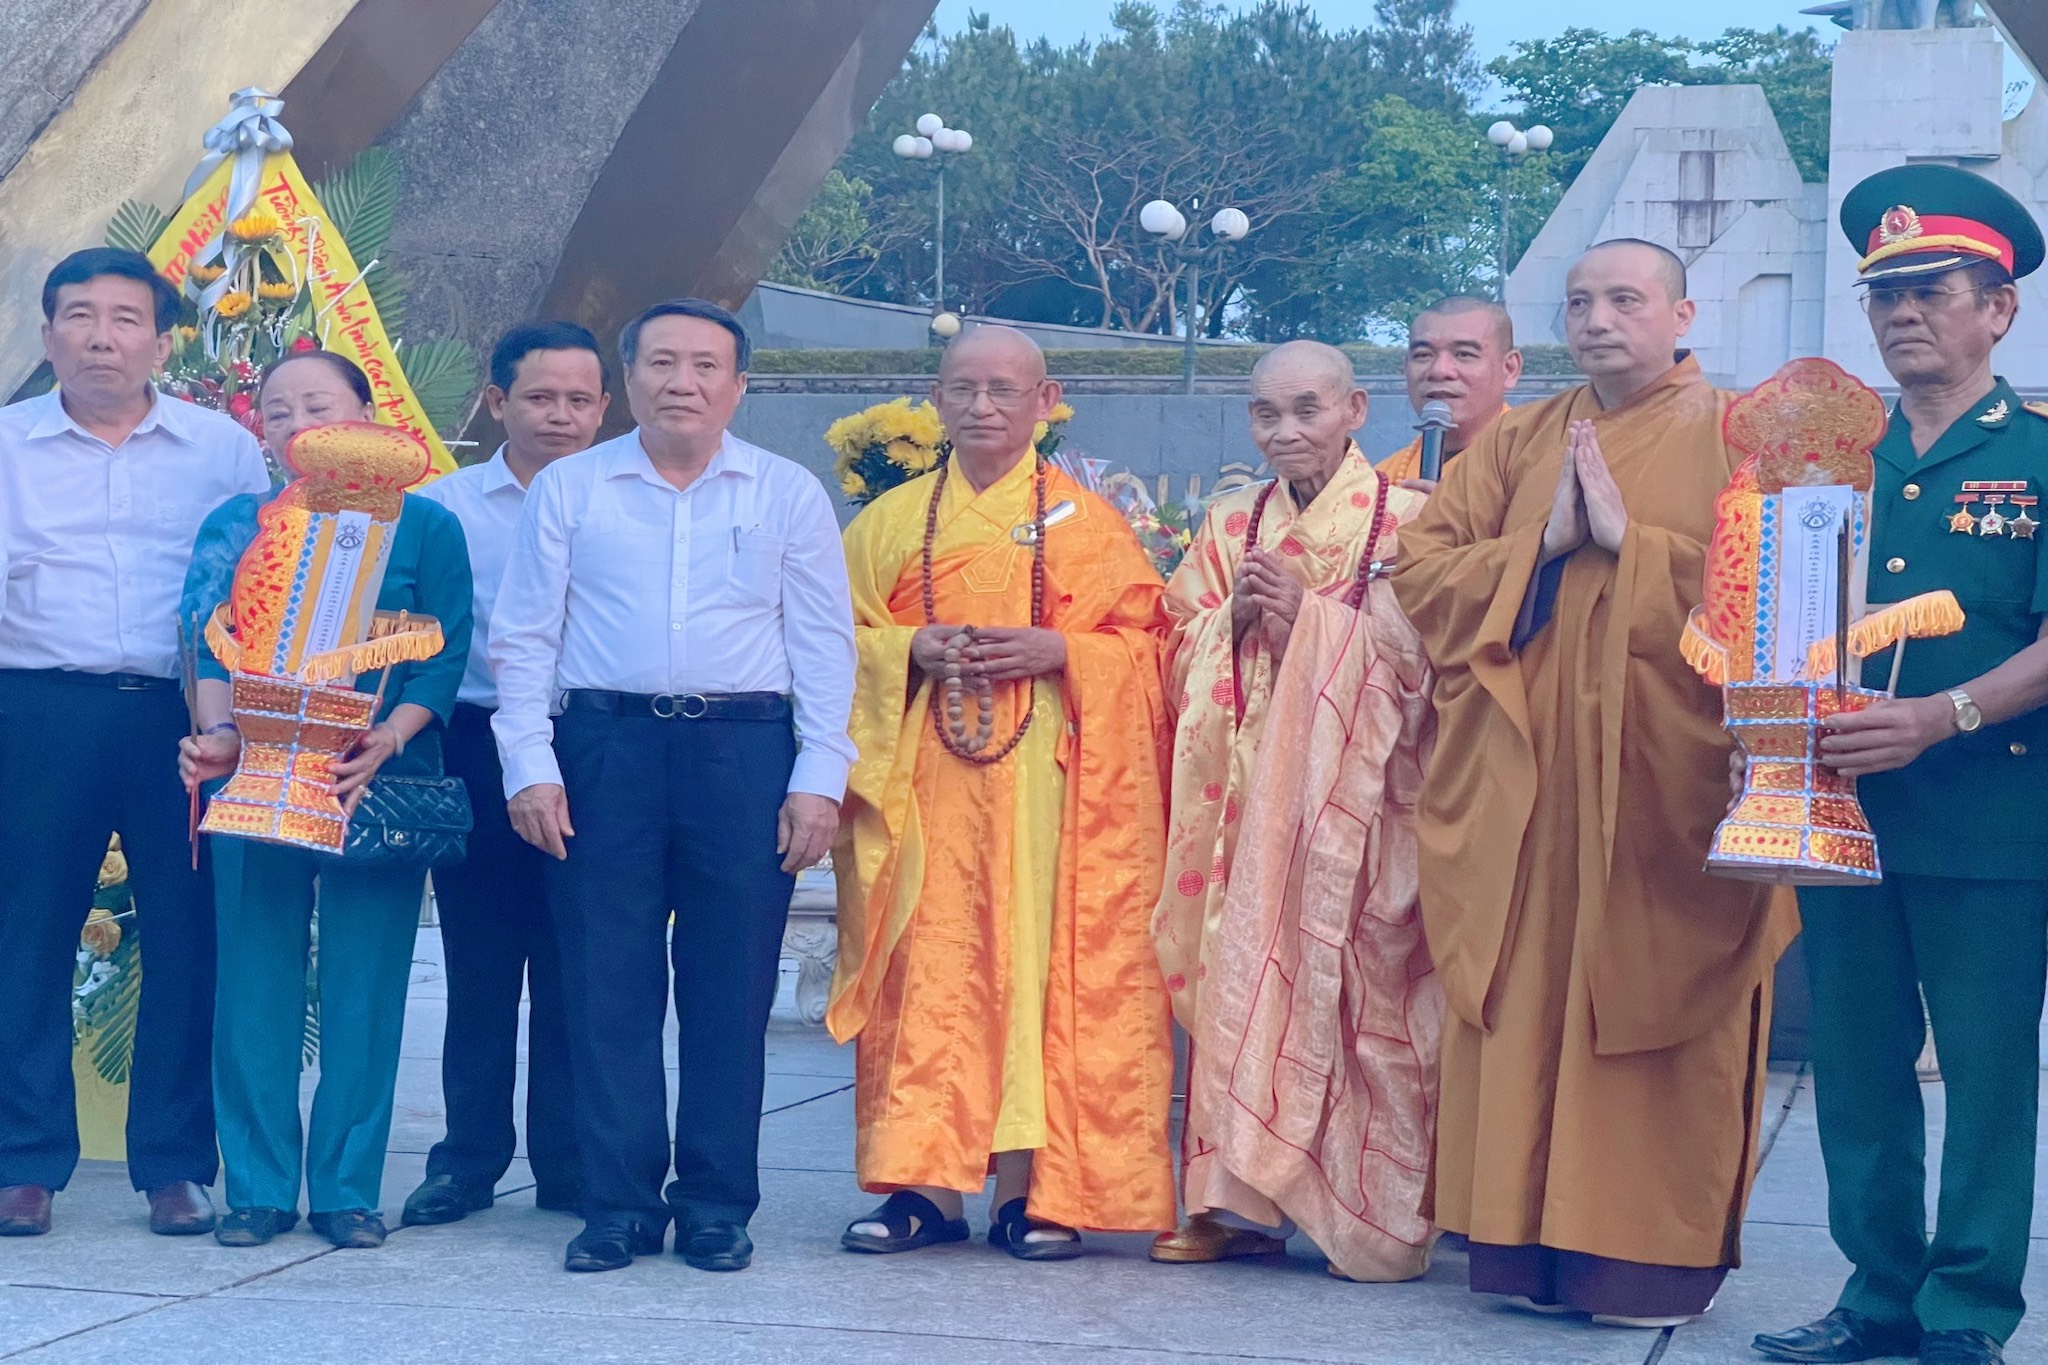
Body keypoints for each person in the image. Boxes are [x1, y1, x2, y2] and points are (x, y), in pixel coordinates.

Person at [1393, 240, 1794, 1327]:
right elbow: (1420, 574)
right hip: (1524, 791)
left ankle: (1641, 1264)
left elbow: (1790, 599)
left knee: (1654, 1002)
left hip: (1668, 786)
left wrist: (1634, 544)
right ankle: (1525, 1248)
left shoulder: (1740, 435)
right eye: (1580, 302)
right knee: (1526, 1000)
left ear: (1682, 315)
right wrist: (1545, 542)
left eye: (1625, 299)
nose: (1598, 319)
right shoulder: (1519, 439)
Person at [490, 298, 855, 1275]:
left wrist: (819, 777)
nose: (681, 382)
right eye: (660, 362)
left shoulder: (785, 492)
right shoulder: (570, 488)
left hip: (745, 752)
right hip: (602, 747)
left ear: (738, 385)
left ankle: (715, 1204)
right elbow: (523, 637)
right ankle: (615, 1203)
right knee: (604, 981)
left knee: (730, 985)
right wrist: (530, 764)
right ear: (630, 379)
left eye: (704, 365)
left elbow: (825, 646)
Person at [1753, 167, 2048, 1365]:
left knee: (1984, 1076)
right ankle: (1874, 1293)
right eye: (1884, 296)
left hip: (1987, 815)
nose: (1903, 314)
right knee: (1856, 1070)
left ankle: (1965, 1310)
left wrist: (1941, 714)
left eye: (1931, 291)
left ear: (1998, 310)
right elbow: (1774, 617)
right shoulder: (1830, 461)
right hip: (1838, 813)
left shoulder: (2034, 455)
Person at [830, 325, 1175, 1261]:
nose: (982, 405)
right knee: (923, 967)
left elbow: (1152, 650)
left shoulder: (1090, 526)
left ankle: (1034, 1191)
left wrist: (1063, 650)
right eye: (963, 388)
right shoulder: (890, 521)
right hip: (922, 778)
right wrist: (908, 648)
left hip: (1047, 790)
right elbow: (826, 640)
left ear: (1044, 401)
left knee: (1034, 973)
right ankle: (922, 1187)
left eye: (1004, 389)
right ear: (936, 398)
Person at [1149, 341, 1442, 1281]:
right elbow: (1171, 647)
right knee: (1236, 974)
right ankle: (1228, 1202)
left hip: (1359, 808)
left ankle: (1360, 1203)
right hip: (1242, 802)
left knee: (1356, 990)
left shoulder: (1410, 521)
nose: (1286, 431)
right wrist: (1231, 623)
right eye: (1267, 413)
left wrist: (1313, 620)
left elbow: (1431, 667)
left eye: (1307, 409)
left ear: (1355, 411)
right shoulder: (1230, 522)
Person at [0, 248, 269, 1239]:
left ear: (161, 341)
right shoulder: (7, 445)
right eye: (79, 316)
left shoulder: (221, 451)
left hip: (185, 718)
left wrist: (234, 724)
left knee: (189, 933)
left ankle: (175, 1162)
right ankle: (23, 1162)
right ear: (47, 335)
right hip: (37, 707)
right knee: (24, 931)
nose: (101, 337)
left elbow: (250, 590)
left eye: (124, 318)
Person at [177, 351, 473, 1249]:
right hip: (257, 774)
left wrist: (389, 737)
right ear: (260, 431)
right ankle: (258, 1188)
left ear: (367, 416)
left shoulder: (427, 524)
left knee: (365, 986)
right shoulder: (237, 523)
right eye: (278, 411)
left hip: (373, 778)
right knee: (253, 982)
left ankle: (348, 1188)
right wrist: (222, 735)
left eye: (319, 405)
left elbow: (447, 651)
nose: (298, 424)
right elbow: (207, 641)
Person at [401, 322, 611, 1229]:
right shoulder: (443, 508)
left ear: (604, 408)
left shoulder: (627, 500)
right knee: (480, 963)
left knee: (581, 963)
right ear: (497, 402)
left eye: (579, 399)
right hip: (477, 745)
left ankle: (568, 1162)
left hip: (596, 745)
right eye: (540, 397)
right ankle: (468, 1158)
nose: (560, 415)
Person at [1376, 297, 1523, 490]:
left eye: (1464, 354)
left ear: (1509, 369)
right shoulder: (1380, 480)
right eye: (1423, 355)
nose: (1439, 371)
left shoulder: (1537, 464)